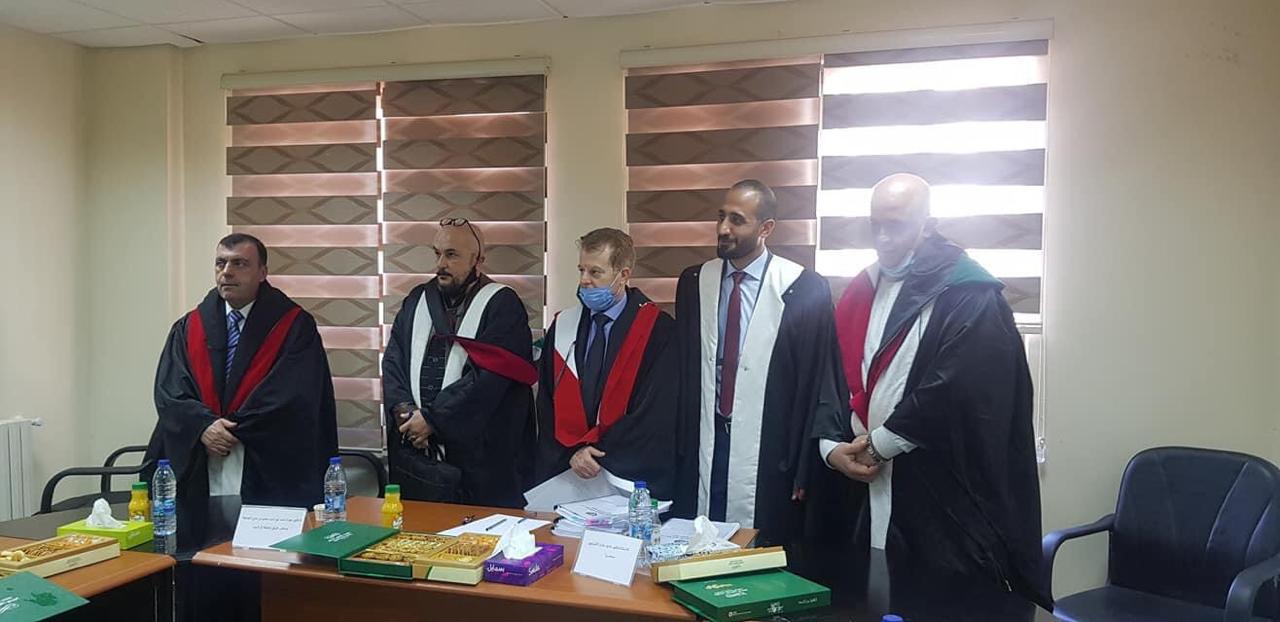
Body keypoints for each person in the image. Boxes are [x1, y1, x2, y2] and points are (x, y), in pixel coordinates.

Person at [814, 173, 1051, 613]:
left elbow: (958, 387)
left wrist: (882, 443)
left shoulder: (969, 294)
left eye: (896, 225)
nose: (883, 238)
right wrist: (831, 447)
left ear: (928, 225)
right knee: (867, 601)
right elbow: (830, 377)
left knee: (933, 604)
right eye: (875, 225)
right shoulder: (862, 289)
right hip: (860, 485)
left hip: (939, 498)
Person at [672, 179, 844, 548]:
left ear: (766, 228)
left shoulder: (803, 288)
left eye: (737, 220)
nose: (723, 228)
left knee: (757, 547)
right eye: (721, 217)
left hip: (770, 446)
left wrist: (803, 465)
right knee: (699, 541)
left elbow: (818, 381)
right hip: (705, 437)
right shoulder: (694, 282)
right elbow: (683, 374)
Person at [147, 233, 337, 509]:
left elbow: (294, 394)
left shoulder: (294, 327)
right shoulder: (189, 327)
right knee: (199, 532)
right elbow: (170, 390)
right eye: (220, 263)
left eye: (240, 264)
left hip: (267, 463)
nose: (227, 272)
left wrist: (233, 429)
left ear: (262, 273)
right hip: (200, 455)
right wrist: (203, 425)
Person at [381, 218, 536, 508]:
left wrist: (433, 419)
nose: (441, 264)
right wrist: (406, 415)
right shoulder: (417, 300)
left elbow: (489, 378)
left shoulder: (502, 305)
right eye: (437, 253)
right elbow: (393, 362)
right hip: (419, 453)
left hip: (479, 460)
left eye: (451, 255)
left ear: (478, 260)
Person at [534, 228, 679, 499]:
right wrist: (572, 452)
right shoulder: (563, 326)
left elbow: (654, 412)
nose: (584, 280)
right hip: (568, 471)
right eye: (581, 270)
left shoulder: (659, 331)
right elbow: (546, 401)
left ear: (623, 275)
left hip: (626, 478)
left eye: (595, 272)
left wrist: (601, 454)